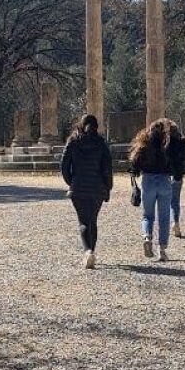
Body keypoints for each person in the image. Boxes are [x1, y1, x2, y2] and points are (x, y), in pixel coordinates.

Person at [129, 118, 185, 262]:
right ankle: (162, 250)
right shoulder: (167, 144)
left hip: (148, 180)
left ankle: (147, 237)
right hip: (164, 181)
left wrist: (135, 175)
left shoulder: (143, 144)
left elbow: (134, 163)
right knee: (164, 217)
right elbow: (178, 159)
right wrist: (177, 175)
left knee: (147, 215)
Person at [61, 114, 113, 270]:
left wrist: (72, 182)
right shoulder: (101, 144)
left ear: (81, 125)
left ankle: (88, 251)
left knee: (83, 221)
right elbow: (107, 169)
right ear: (97, 127)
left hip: (78, 188)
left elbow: (64, 166)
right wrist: (108, 188)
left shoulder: (73, 142)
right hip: (97, 188)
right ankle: (92, 252)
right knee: (93, 221)